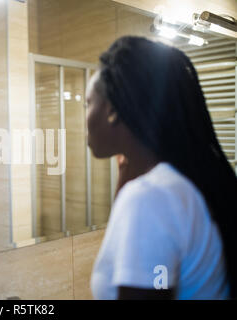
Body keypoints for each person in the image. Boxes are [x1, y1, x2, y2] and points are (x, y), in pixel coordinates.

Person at [87, 36, 237, 300]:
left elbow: (154, 284)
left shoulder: (150, 199)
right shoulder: (176, 183)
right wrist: (125, 174)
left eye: (88, 103)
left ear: (112, 111)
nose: (85, 115)